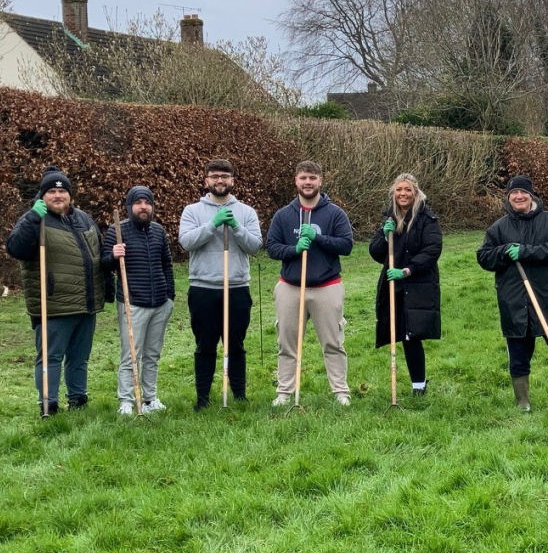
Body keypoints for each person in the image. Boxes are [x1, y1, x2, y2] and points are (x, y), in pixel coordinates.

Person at [6, 166, 108, 416]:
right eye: (51, 191)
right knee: (51, 357)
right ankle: (48, 403)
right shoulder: (35, 219)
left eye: (62, 191)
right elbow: (15, 248)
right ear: (43, 196)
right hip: (53, 304)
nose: (57, 196)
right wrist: (32, 218)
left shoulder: (84, 218)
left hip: (85, 303)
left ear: (70, 195)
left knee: (79, 357)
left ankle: (78, 399)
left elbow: (98, 254)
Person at [476, 174, 548, 412]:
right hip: (515, 302)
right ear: (509, 197)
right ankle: (523, 402)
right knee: (519, 356)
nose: (519, 196)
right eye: (514, 193)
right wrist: (503, 252)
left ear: (531, 196)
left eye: (524, 193)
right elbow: (483, 257)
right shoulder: (499, 228)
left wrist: (525, 251)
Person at [265, 161, 355, 406]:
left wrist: (319, 238)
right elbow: (271, 248)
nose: (308, 182)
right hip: (290, 288)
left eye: (312, 178)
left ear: (320, 181)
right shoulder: (284, 215)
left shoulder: (335, 213)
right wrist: (294, 249)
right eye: (303, 177)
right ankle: (284, 392)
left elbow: (346, 245)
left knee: (333, 342)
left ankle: (340, 392)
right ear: (296, 180)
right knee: (287, 343)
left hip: (327, 287)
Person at [178, 159, 263, 410]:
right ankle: (202, 398)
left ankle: (239, 395)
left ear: (232, 181)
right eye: (214, 176)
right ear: (206, 180)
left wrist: (235, 227)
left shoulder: (246, 212)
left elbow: (255, 246)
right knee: (205, 344)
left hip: (236, 287)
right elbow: (187, 242)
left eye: (224, 176)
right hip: (204, 288)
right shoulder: (192, 211)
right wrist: (212, 225)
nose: (219, 181)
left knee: (235, 343)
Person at [102, 186, 175, 415]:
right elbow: (103, 264)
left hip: (160, 303)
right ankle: (126, 399)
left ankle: (150, 398)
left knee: (152, 354)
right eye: (138, 202)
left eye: (147, 202)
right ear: (130, 206)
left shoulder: (158, 231)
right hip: (133, 302)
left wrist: (170, 297)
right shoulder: (118, 231)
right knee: (131, 354)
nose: (143, 207)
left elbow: (167, 264)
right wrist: (113, 255)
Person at [368, 173, 443, 396]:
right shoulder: (388, 219)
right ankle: (406, 384)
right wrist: (383, 235)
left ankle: (418, 386)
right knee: (397, 332)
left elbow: (432, 250)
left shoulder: (427, 219)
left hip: (418, 284)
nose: (403, 193)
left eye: (407, 189)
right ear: (394, 193)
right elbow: (375, 252)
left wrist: (407, 270)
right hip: (394, 285)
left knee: (412, 336)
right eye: (399, 189)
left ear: (416, 192)